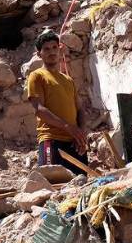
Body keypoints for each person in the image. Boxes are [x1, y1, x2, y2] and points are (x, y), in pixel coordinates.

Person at [26, 30, 88, 174]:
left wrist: (81, 134)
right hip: (52, 140)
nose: (51, 52)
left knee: (81, 185)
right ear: (39, 54)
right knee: (54, 186)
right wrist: (69, 127)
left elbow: (80, 110)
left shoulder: (68, 80)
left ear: (60, 49)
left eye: (54, 47)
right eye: (46, 49)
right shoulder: (37, 76)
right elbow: (39, 109)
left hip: (74, 142)